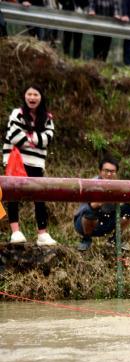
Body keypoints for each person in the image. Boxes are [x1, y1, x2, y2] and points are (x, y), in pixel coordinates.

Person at [3, 85, 57, 246]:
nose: (32, 97)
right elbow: (14, 136)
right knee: (13, 196)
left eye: (35, 94)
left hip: (37, 162)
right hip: (16, 159)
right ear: (25, 96)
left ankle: (42, 233)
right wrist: (35, 139)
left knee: (39, 196)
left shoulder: (47, 118)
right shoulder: (17, 113)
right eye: (29, 94)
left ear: (41, 97)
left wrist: (29, 138)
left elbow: (48, 138)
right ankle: (16, 231)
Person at [74, 156, 130, 251]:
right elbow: (95, 205)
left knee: (129, 209)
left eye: (112, 172)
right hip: (83, 224)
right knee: (90, 210)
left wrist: (124, 194)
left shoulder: (118, 185)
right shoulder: (92, 183)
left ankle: (115, 239)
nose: (109, 174)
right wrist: (111, 193)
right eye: (106, 171)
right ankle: (86, 239)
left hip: (106, 223)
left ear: (116, 173)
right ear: (100, 171)